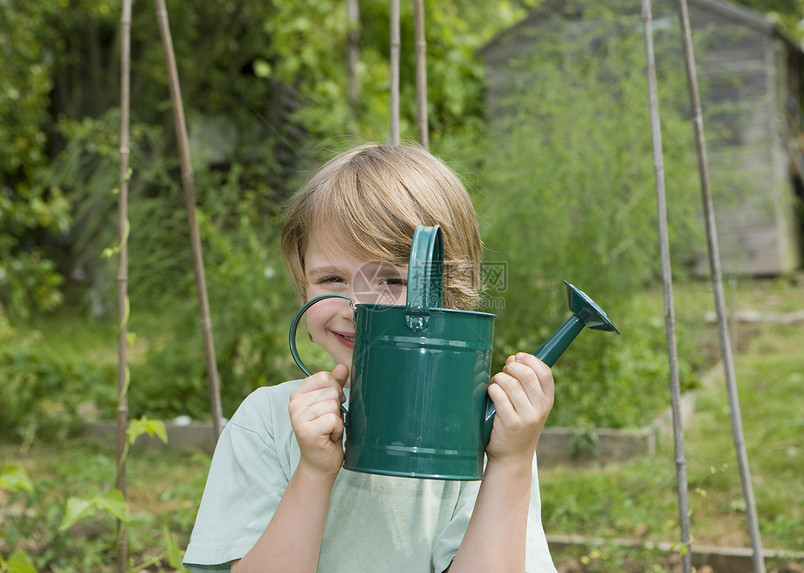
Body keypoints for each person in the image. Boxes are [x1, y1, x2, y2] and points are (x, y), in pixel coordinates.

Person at [183, 143, 558, 573]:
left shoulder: (483, 435)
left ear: (451, 293)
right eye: (332, 278)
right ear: (301, 280)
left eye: (395, 280)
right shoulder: (269, 424)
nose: (355, 306)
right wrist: (313, 471)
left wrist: (509, 463)